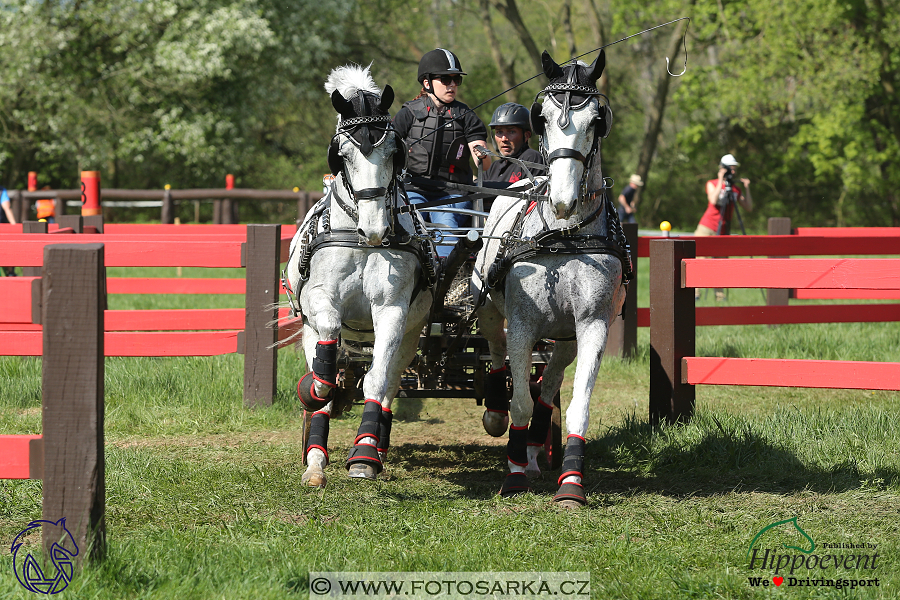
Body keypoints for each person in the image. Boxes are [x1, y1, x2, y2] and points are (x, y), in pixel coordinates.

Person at [393, 48, 490, 255]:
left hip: (452, 194)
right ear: (427, 83)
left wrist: (481, 155)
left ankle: (447, 279)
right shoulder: (407, 114)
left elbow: (484, 161)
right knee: (409, 223)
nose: (453, 85)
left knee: (445, 225)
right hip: (413, 190)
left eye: (456, 80)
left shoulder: (466, 116)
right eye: (446, 79)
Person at [694, 153, 753, 300]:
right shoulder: (712, 183)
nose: (733, 172)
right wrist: (721, 178)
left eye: (734, 169)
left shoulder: (735, 189)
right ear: (722, 169)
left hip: (724, 229)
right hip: (707, 226)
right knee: (700, 258)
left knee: (721, 261)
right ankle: (695, 292)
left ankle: (719, 295)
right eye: (730, 169)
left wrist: (746, 188)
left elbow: (749, 207)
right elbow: (713, 200)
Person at [484, 102, 545, 185]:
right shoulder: (495, 166)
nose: (504, 139)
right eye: (499, 132)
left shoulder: (532, 158)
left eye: (511, 132)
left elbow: (529, 194)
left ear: (526, 136)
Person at [1, 188, 17, 276]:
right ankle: (10, 272)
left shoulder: (1, 191)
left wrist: (14, 226)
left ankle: (10, 272)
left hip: (1, 227)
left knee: (6, 250)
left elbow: (7, 208)